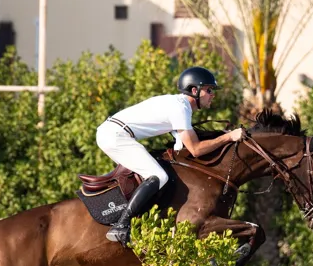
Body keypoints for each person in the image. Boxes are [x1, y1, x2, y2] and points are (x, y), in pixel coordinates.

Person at [96, 66, 244, 246]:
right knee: (159, 176)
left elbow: (182, 148)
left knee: (153, 174)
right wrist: (229, 137)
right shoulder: (180, 108)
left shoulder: (179, 106)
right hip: (115, 135)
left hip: (114, 133)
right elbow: (195, 149)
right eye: (209, 90)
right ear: (194, 90)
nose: (212, 94)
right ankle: (122, 225)